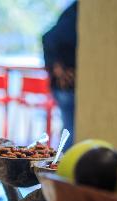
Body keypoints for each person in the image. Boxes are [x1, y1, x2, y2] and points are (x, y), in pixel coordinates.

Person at [42, 1, 78, 148]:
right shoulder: (75, 14)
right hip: (66, 86)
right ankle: (64, 162)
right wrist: (58, 67)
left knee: (70, 131)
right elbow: (48, 37)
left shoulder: (72, 13)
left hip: (65, 86)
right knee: (71, 133)